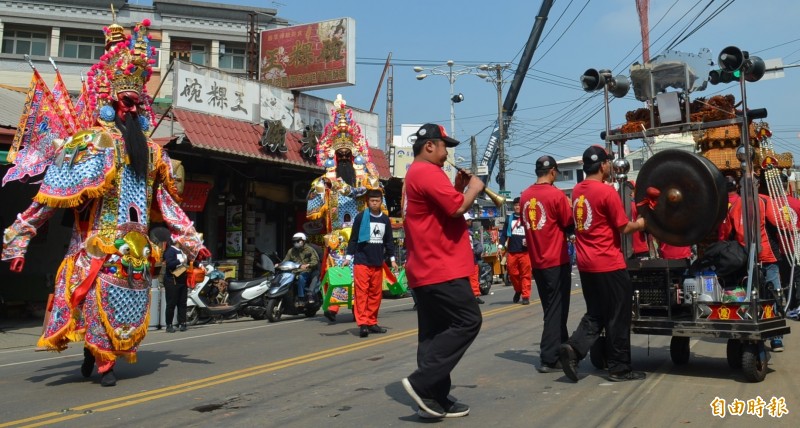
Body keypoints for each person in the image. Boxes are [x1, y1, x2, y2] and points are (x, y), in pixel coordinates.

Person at [1, 18, 210, 387]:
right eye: (125, 100)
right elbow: (51, 198)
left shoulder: (152, 155)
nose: (131, 106)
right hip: (96, 244)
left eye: (136, 99)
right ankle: (102, 363)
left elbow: (167, 203)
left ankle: (99, 354)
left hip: (138, 249)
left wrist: (193, 240)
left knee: (127, 304)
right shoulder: (93, 144)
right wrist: (21, 235)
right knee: (96, 302)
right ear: (111, 100)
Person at [400, 123, 484, 419]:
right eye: (444, 145)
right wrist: (473, 188)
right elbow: (455, 210)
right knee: (468, 321)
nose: (447, 152)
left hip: (425, 265)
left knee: (434, 333)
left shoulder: (414, 174)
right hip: (440, 265)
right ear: (429, 146)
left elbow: (440, 208)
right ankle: (421, 384)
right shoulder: (427, 172)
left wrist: (459, 189)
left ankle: (433, 399)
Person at [559, 145, 647, 383]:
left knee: (596, 313)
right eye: (609, 161)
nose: (610, 165)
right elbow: (624, 227)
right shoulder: (606, 192)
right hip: (608, 263)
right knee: (619, 316)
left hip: (587, 264)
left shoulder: (577, 191)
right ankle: (619, 367)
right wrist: (641, 223)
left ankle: (573, 349)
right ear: (603, 165)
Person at [306, 95, 382, 323]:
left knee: (364, 276)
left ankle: (363, 309)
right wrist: (323, 191)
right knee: (338, 274)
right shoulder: (324, 182)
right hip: (338, 238)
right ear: (332, 157)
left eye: (349, 154)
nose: (345, 158)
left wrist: (370, 187)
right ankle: (334, 306)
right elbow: (312, 210)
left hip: (363, 236)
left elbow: (381, 205)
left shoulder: (366, 179)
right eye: (340, 155)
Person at [520, 155, 575, 373]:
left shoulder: (524, 196)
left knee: (552, 308)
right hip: (556, 259)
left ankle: (561, 349)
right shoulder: (556, 195)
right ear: (552, 172)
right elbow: (569, 223)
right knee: (556, 309)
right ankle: (549, 356)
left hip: (538, 261)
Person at [344, 189, 397, 338]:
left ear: (381, 202)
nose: (374, 203)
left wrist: (392, 259)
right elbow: (353, 238)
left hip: (377, 262)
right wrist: (348, 256)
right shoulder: (361, 218)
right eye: (372, 201)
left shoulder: (385, 220)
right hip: (361, 261)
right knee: (362, 294)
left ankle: (372, 322)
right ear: (368, 202)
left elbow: (389, 241)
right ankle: (363, 324)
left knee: (375, 295)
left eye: (377, 201)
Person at [500, 197, 533, 304]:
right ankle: (518, 290)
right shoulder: (509, 218)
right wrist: (501, 244)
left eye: (519, 205)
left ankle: (525, 296)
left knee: (525, 274)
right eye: (515, 205)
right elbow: (504, 233)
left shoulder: (527, 218)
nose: (517, 207)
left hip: (525, 252)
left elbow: (533, 233)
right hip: (512, 251)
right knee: (512, 273)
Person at [159, 229, 190, 333]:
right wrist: (181, 260)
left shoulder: (182, 251)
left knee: (182, 303)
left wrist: (199, 265)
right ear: (177, 240)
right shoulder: (170, 251)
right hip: (172, 280)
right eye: (182, 239)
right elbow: (170, 264)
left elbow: (189, 261)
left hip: (182, 279)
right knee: (171, 303)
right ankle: (169, 324)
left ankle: (183, 323)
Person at [282, 232, 320, 304]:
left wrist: (308, 265)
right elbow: (285, 261)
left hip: (308, 271)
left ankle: (305, 296)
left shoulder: (309, 250)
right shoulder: (291, 251)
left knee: (302, 277)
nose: (296, 243)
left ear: (303, 241)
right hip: (295, 272)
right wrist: (279, 264)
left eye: (298, 241)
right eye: (294, 241)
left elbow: (315, 261)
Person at [466, 213, 485, 304]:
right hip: (463, 260)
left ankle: (476, 296)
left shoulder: (471, 233)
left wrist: (477, 251)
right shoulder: (458, 232)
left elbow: (478, 245)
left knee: (474, 278)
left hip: (472, 259)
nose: (471, 222)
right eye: (469, 220)